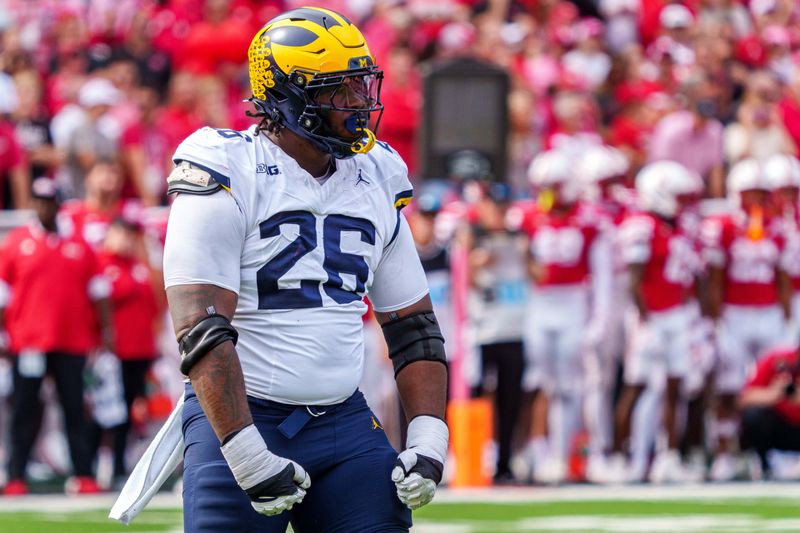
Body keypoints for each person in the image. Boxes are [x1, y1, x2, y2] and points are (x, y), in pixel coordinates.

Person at [162, 7, 448, 532]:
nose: (359, 104)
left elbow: (413, 326)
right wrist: (246, 452)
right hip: (242, 417)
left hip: (344, 420)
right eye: (338, 91)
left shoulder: (377, 173)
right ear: (287, 96)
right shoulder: (226, 166)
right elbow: (200, 328)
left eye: (361, 86)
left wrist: (429, 437)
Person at [0, 177, 113, 496]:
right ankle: (15, 476)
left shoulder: (79, 244)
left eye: (48, 201)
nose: (42, 207)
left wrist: (105, 334)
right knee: (23, 411)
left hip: (71, 342)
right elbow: (3, 295)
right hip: (29, 343)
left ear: (58, 205)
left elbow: (99, 292)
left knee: (74, 410)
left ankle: (83, 475)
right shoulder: (16, 243)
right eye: (37, 200)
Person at [739, 346, 800, 478]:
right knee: (754, 415)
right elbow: (744, 399)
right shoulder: (777, 360)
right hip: (782, 428)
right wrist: (771, 394)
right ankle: (764, 465)